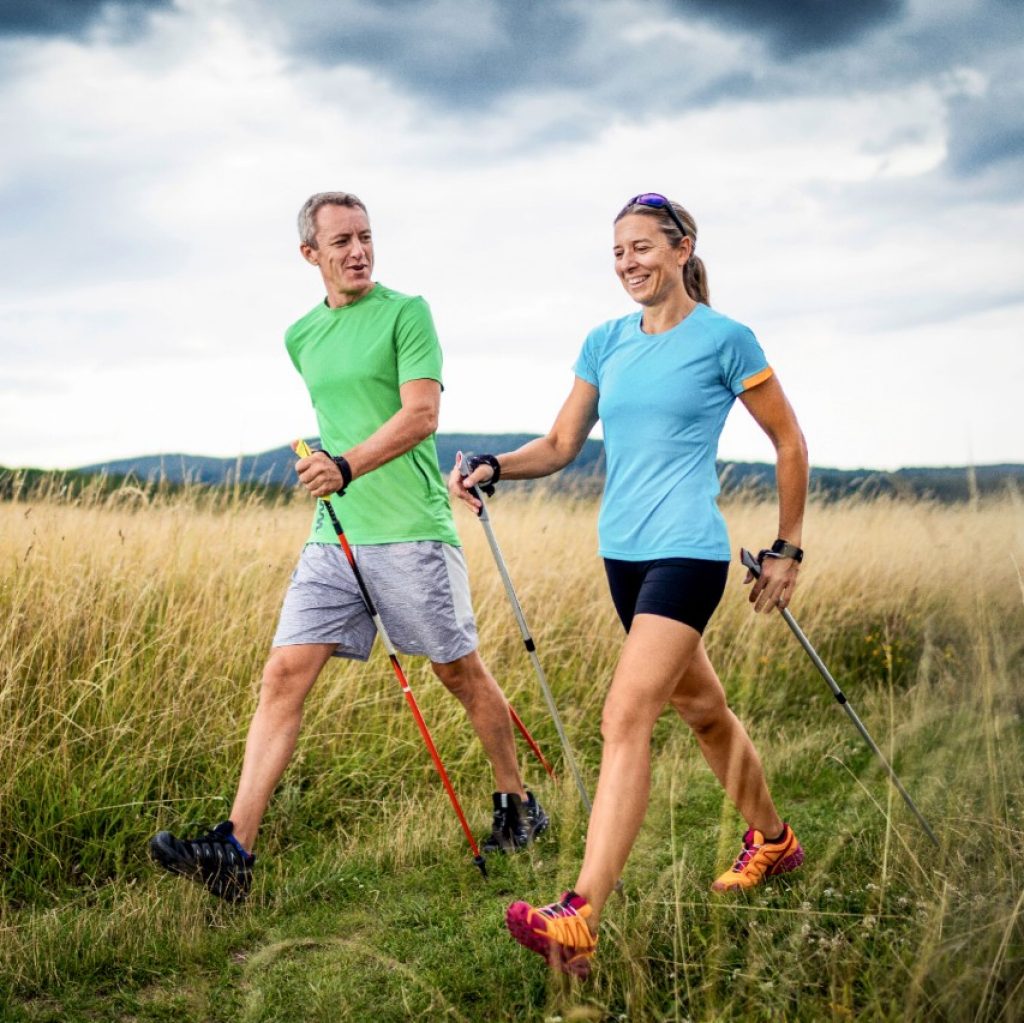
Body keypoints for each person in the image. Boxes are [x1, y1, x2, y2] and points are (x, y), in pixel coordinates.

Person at [149, 191, 548, 902]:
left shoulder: (407, 312)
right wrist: (329, 469)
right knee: (283, 674)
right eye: (341, 242)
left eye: (366, 236)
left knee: (459, 674)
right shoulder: (300, 335)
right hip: (335, 535)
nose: (358, 250)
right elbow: (339, 416)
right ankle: (235, 851)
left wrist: (346, 465)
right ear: (311, 254)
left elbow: (422, 415)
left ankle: (518, 805)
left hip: (412, 530)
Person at [450, 193, 809, 976]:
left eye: (643, 247)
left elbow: (788, 441)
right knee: (705, 711)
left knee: (626, 714)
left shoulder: (725, 338)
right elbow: (559, 443)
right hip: (622, 556)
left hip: (687, 552)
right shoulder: (604, 342)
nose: (628, 264)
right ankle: (775, 843)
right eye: (618, 252)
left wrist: (787, 548)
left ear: (683, 249)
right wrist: (492, 465)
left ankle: (579, 914)